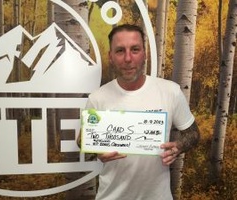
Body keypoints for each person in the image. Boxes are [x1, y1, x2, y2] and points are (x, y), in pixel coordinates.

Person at [77, 24, 200, 200]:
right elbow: (81, 140)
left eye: (135, 49)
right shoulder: (98, 98)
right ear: (110, 57)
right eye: (120, 51)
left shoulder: (170, 91)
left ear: (145, 54)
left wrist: (178, 147)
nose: (128, 58)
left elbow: (193, 133)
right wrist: (96, 151)